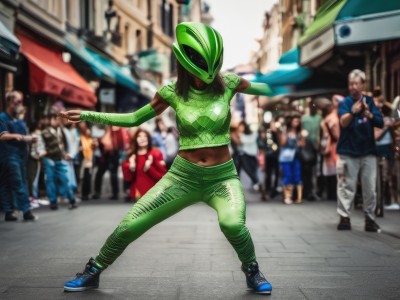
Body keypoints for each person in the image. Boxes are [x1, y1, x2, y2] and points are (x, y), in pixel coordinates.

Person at [59, 22, 273, 294]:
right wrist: (90, 115)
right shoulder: (171, 91)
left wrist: (294, 82)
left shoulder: (229, 83)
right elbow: (134, 118)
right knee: (130, 224)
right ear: (186, 61)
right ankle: (93, 270)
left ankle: (252, 271)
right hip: (182, 177)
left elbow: (266, 89)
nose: (206, 73)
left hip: (222, 179)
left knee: (232, 224)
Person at [336, 69, 383, 232]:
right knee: (346, 186)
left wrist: (369, 115)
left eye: (357, 83)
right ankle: (344, 218)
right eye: (351, 84)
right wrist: (354, 112)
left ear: (363, 85)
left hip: (368, 152)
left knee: (370, 187)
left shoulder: (370, 101)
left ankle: (370, 219)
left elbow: (380, 122)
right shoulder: (345, 103)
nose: (353, 87)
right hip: (348, 151)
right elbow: (343, 122)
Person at [0, 91, 37, 221]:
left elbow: (24, 135)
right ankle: (26, 210)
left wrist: (30, 139)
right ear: (10, 102)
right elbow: (2, 135)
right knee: (17, 183)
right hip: (9, 155)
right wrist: (20, 137)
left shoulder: (18, 120)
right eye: (17, 101)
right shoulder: (2, 117)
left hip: (20, 156)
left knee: (9, 183)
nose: (20, 104)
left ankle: (9, 212)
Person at [41, 113, 78, 210]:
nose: (57, 121)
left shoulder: (61, 130)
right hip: (49, 159)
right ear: (51, 120)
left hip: (60, 158)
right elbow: (55, 145)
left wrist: (65, 153)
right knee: (50, 181)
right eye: (56, 119)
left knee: (65, 179)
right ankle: (53, 202)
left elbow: (64, 143)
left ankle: (71, 199)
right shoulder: (45, 132)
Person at [122, 128, 167, 202]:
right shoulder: (132, 155)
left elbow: (161, 176)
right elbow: (127, 178)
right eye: (139, 136)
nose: (142, 138)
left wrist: (149, 168)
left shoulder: (156, 153)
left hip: (153, 194)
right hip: (138, 193)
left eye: (145, 136)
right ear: (135, 139)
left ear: (149, 139)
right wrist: (131, 166)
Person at [277, 115, 305, 204]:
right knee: (287, 175)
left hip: (296, 156)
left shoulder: (299, 133)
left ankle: (298, 197)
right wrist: (284, 131)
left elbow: (302, 145)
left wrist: (302, 136)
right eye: (295, 121)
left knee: (297, 175)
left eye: (298, 121)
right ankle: (287, 197)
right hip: (286, 157)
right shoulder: (286, 132)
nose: (297, 123)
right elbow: (283, 143)